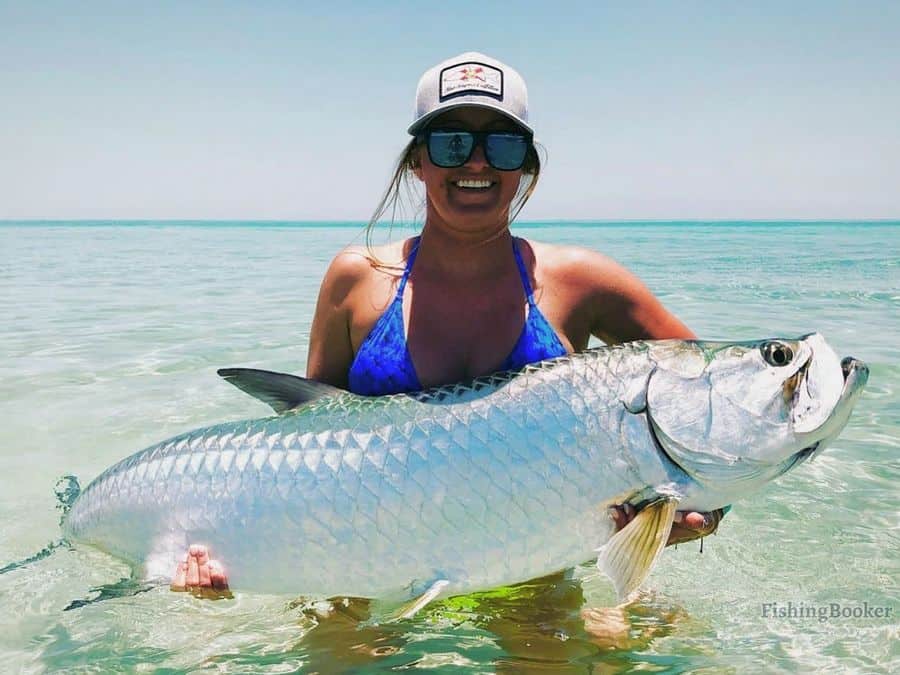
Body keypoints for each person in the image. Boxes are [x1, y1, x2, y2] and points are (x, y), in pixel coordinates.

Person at [171, 51, 726, 596]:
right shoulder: (355, 279)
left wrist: (697, 505)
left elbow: (712, 401)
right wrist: (236, 554)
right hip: (364, 572)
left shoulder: (583, 282)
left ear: (527, 164)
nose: (477, 162)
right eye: (452, 140)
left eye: (503, 144)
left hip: (531, 579)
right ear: (418, 160)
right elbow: (310, 442)